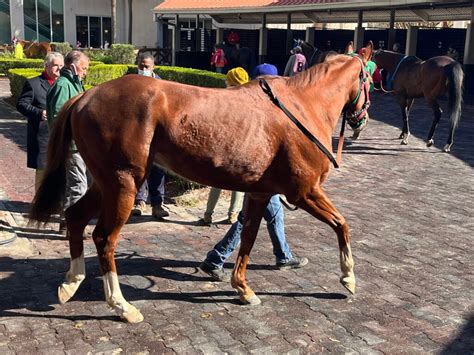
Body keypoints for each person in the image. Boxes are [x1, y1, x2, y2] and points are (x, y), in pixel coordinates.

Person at [199, 195, 309, 281]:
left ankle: (284, 256)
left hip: (260, 181)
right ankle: (215, 260)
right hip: (263, 183)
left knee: (273, 216)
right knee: (247, 220)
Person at [199, 67, 249, 225]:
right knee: (238, 184)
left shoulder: (224, 99)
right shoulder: (247, 100)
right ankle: (233, 214)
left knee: (216, 182)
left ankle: (208, 214)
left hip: (222, 147)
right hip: (241, 147)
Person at [47, 50, 89, 232]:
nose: (85, 71)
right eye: (83, 67)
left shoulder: (75, 84)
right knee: (78, 186)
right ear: (72, 66)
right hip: (71, 146)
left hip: (78, 145)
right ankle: (74, 226)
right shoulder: (64, 86)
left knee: (74, 184)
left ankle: (68, 222)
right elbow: (58, 117)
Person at [17, 52, 64, 193]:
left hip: (61, 134)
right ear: (47, 66)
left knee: (61, 171)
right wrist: (39, 113)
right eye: (56, 65)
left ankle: (56, 203)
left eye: (61, 66)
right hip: (42, 135)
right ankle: (40, 206)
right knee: (43, 171)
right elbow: (21, 104)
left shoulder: (64, 84)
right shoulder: (33, 84)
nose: (59, 69)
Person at [130, 52, 169, 219]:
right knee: (139, 169)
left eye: (146, 66)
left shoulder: (163, 85)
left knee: (158, 170)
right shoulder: (130, 83)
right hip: (136, 134)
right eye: (141, 66)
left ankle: (157, 204)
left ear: (153, 67)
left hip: (157, 135)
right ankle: (139, 202)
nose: (143, 69)